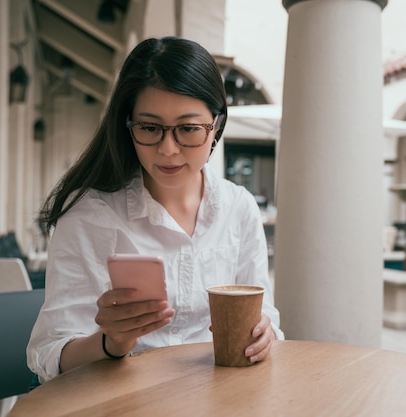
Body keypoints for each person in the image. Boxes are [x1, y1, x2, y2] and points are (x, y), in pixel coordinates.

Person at [27, 36, 284, 384]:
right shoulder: (89, 217)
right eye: (149, 128)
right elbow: (49, 354)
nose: (167, 149)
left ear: (217, 127)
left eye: (188, 129)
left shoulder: (239, 208)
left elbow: (263, 312)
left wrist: (265, 333)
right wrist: (110, 342)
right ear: (127, 125)